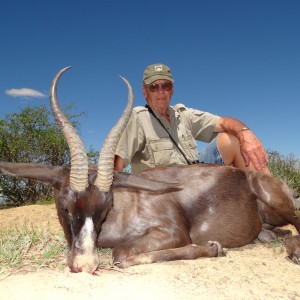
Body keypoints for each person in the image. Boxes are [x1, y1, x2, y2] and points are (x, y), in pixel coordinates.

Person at [114, 63, 270, 175]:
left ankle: (274, 203)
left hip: (195, 178)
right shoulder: (137, 118)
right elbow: (116, 166)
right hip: (165, 193)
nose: (160, 91)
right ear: (144, 91)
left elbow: (224, 122)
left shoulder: (183, 114)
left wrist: (245, 133)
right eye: (154, 87)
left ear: (172, 89)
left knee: (232, 139)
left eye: (166, 85)